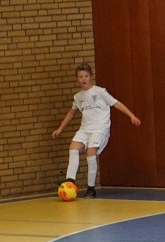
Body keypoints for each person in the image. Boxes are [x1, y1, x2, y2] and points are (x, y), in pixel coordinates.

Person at [52, 63, 141, 198]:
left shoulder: (100, 91)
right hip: (85, 128)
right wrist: (60, 129)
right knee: (73, 147)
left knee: (91, 152)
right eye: (80, 77)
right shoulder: (78, 97)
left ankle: (91, 188)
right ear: (77, 79)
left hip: (100, 128)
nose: (83, 79)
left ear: (91, 77)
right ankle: (70, 180)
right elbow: (71, 113)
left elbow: (116, 103)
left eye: (86, 76)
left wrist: (131, 115)